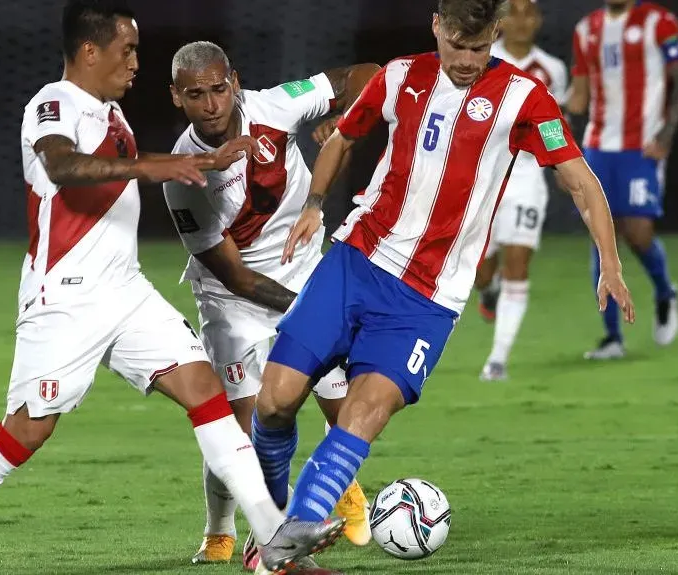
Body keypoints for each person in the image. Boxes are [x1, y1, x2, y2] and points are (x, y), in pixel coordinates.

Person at [0, 3, 342, 574]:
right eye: (126, 50)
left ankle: (271, 539)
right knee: (27, 431)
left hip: (125, 292)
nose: (135, 63)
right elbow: (62, 167)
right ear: (89, 51)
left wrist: (188, 162)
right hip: (68, 297)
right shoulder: (53, 104)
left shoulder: (111, 113)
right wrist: (158, 167)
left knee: (205, 392)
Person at [248, 0, 636, 563]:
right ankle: (270, 524)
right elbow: (343, 136)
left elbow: (580, 181)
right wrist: (313, 203)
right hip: (356, 262)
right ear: (438, 27)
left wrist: (610, 261)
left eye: (480, 48)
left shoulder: (522, 97)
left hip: (426, 300)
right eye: (458, 45)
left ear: (496, 35)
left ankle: (294, 536)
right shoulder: (400, 76)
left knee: (367, 410)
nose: (468, 60)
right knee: (275, 402)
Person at [162, 41, 379, 569]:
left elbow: (369, 73)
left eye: (218, 89)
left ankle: (339, 488)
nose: (212, 104)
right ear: (177, 98)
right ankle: (220, 530)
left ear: (234, 81)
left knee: (337, 397)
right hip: (231, 299)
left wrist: (347, 118)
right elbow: (235, 276)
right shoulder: (182, 177)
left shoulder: (277, 105)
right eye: (196, 95)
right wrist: (310, 309)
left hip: (301, 261)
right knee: (237, 429)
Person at [568, 0, 678, 359]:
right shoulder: (585, 29)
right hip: (597, 147)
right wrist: (560, 145)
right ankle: (612, 338)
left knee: (638, 232)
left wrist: (667, 135)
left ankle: (664, 291)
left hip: (641, 148)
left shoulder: (658, 21)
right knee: (601, 233)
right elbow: (579, 96)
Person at [472, 0, 569, 381]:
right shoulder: (479, 58)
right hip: (483, 176)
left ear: (539, 20)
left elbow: (555, 124)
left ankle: (497, 360)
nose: (522, 20)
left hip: (527, 176)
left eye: (529, 12)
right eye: (513, 11)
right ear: (499, 21)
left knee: (518, 263)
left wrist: (563, 161)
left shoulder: (552, 69)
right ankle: (488, 290)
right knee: (480, 269)